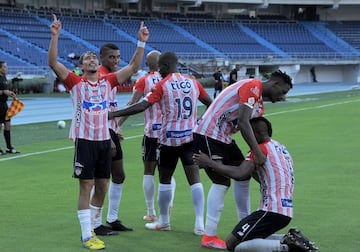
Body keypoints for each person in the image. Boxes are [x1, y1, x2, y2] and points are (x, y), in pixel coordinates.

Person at [48, 14, 149, 250]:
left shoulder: (109, 81)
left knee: (103, 186)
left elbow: (134, 66)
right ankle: (86, 235)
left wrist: (141, 42)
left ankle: (93, 227)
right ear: (82, 66)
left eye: (94, 57)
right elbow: (53, 63)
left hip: (105, 141)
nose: (92, 59)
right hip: (85, 142)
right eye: (88, 58)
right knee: (86, 186)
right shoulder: (75, 82)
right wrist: (55, 36)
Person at [109, 51, 212, 235]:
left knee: (164, 179)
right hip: (190, 138)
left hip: (169, 140)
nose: (159, 72)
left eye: (161, 68)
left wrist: (113, 114)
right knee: (195, 180)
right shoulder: (193, 81)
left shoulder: (162, 85)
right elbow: (210, 103)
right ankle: (199, 225)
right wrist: (201, 123)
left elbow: (141, 105)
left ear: (164, 66)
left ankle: (163, 221)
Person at [193, 70, 293, 249]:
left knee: (243, 176)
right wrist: (258, 152)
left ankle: (245, 225)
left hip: (224, 138)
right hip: (208, 133)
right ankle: (209, 235)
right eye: (283, 92)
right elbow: (244, 122)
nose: (282, 97)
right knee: (222, 183)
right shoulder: (252, 86)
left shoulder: (260, 106)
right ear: (275, 84)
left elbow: (256, 131)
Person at [193, 117, 318, 252]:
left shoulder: (260, 150)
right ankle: (291, 238)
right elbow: (271, 176)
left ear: (256, 134)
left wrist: (210, 163)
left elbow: (240, 174)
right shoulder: (281, 148)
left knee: (232, 244)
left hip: (270, 210)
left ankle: (286, 247)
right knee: (250, 239)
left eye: (247, 133)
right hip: (285, 210)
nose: (246, 137)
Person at [118, 50, 176, 222]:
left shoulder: (144, 81)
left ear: (148, 64)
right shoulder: (172, 80)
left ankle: (151, 211)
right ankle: (169, 205)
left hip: (151, 132)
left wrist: (116, 124)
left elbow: (133, 104)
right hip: (169, 132)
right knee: (168, 172)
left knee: (148, 172)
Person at [88, 43, 133, 236]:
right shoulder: (100, 77)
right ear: (102, 58)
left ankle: (112, 219)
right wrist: (108, 135)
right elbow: (97, 110)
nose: (116, 60)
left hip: (111, 130)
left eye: (118, 57)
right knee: (101, 179)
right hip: (102, 133)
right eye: (112, 57)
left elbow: (109, 107)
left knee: (119, 175)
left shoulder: (109, 78)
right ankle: (94, 223)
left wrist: (117, 126)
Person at [0, 61, 20, 155]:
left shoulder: (4, 77)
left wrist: (10, 93)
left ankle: (9, 147)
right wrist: (4, 92)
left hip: (4, 104)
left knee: (8, 125)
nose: (6, 68)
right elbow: (3, 91)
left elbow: (5, 90)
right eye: (4, 67)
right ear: (0, 68)